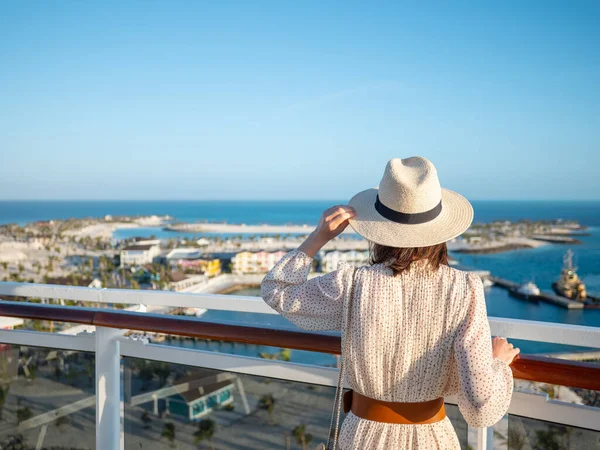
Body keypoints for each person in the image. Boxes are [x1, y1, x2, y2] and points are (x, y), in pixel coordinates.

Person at [261, 156, 519, 449]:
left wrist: (318, 237)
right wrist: (497, 363)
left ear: (379, 227)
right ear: (440, 228)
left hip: (362, 436)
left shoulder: (353, 283)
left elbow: (277, 291)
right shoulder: (464, 288)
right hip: (431, 439)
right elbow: (481, 407)